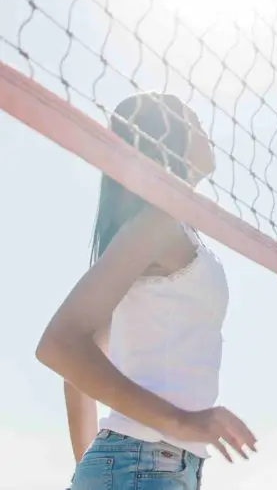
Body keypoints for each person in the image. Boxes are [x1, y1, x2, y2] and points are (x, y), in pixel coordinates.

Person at [36, 92, 256, 490]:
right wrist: (181, 422)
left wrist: (95, 473)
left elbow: (78, 376)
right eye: (196, 122)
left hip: (149, 467)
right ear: (171, 136)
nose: (207, 131)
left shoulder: (176, 227)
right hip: (145, 463)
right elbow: (58, 345)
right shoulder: (159, 221)